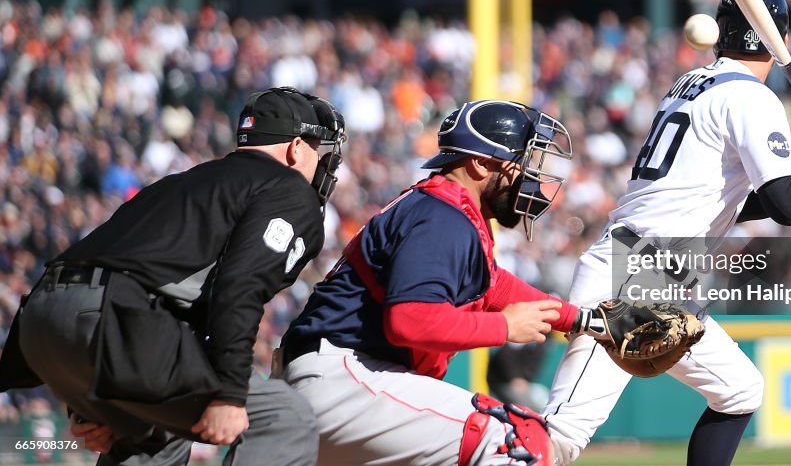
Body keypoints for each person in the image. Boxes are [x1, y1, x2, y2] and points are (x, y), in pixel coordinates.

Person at [541, 0, 791, 466]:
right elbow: (787, 207)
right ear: (780, 42)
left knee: (739, 390)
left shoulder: (693, 83)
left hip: (658, 271)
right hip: (634, 275)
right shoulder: (750, 97)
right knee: (559, 438)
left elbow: (735, 202)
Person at [0, 86, 347, 466]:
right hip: (115, 324)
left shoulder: (183, 182)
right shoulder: (288, 189)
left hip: (42, 324)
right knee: (284, 418)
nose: (322, 163)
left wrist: (88, 403)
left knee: (157, 428)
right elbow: (239, 287)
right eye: (320, 151)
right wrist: (229, 393)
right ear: (297, 147)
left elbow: (106, 263)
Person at [278, 99, 637, 466]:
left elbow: (494, 287)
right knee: (516, 441)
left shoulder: (441, 208)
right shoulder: (442, 218)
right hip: (344, 378)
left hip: (343, 380)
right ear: (480, 163)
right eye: (520, 163)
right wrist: (506, 326)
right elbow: (410, 322)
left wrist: (585, 320)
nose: (528, 178)